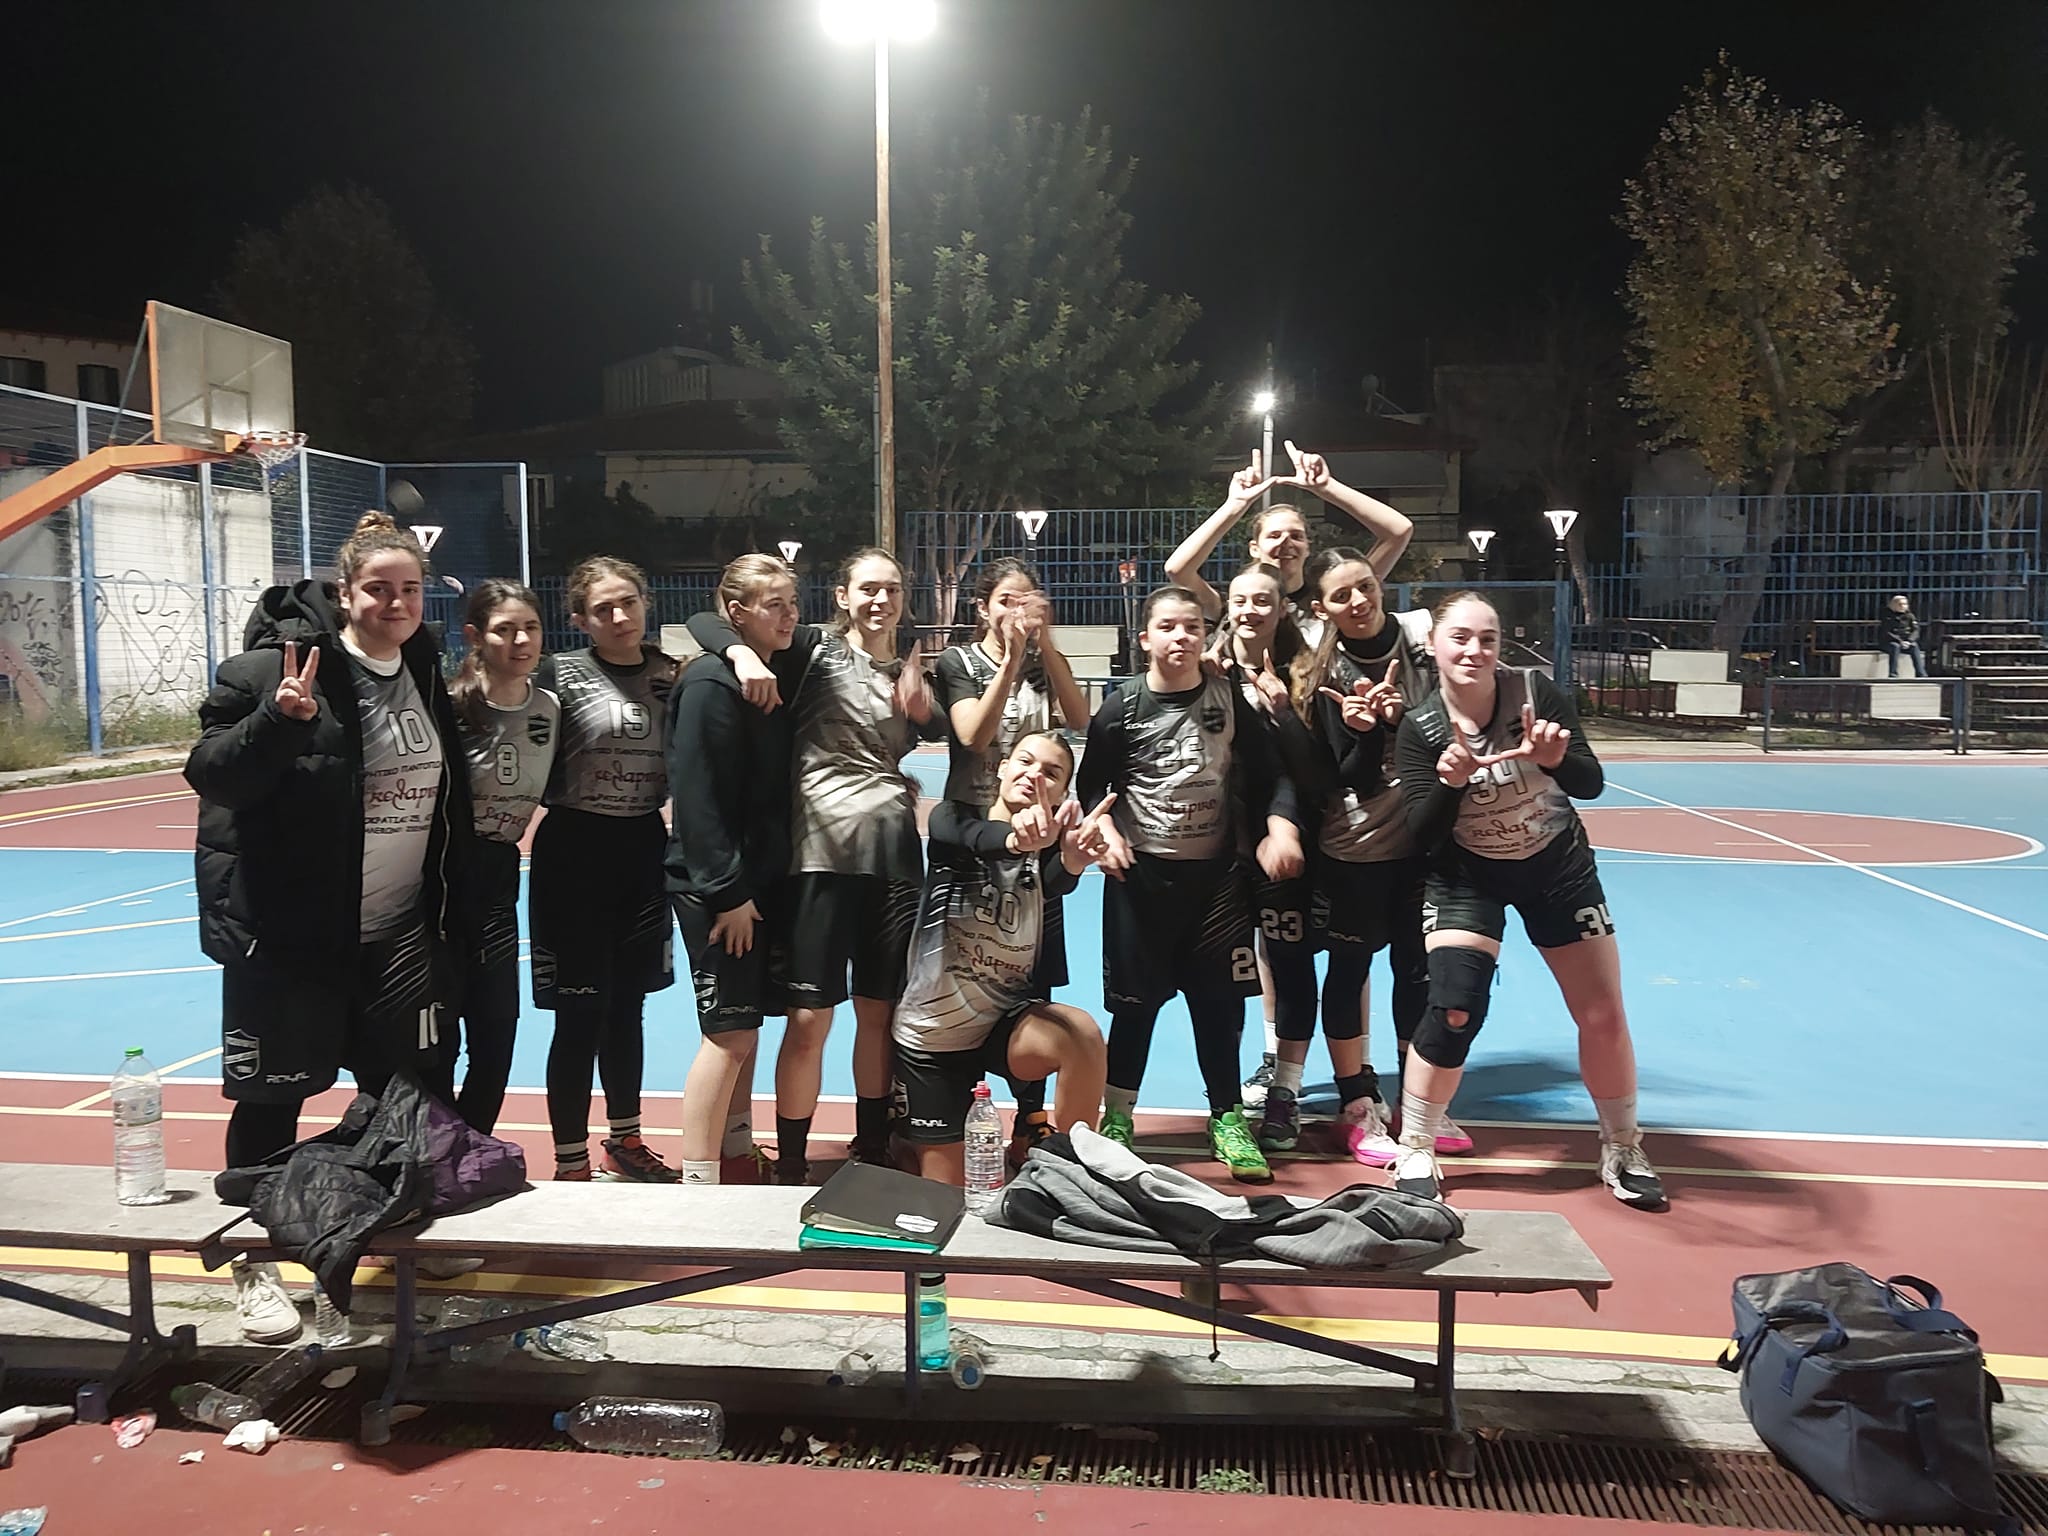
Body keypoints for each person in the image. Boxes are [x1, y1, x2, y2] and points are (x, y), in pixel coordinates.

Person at [187, 512, 475, 1342]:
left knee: (410, 1097)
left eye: (410, 589)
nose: (396, 603)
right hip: (294, 937)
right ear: (345, 593)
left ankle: (390, 1239)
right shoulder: (271, 670)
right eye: (378, 589)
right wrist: (278, 722)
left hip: (398, 934)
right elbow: (212, 775)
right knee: (272, 1105)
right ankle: (255, 1270)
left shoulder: (422, 666)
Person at [1392, 592, 1667, 1211]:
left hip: (1556, 868)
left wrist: (1557, 759)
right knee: (1454, 1009)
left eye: (1487, 639)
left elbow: (1590, 783)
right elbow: (1420, 834)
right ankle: (1415, 1144)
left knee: (1602, 1013)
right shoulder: (1421, 727)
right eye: (1460, 637)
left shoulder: (1534, 695)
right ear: (1433, 645)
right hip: (1467, 877)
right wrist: (1450, 784)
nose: (1475, 650)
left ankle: (1623, 1146)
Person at [1165, 443, 1414, 1097]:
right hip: (1248, 803)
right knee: (1274, 944)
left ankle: (1351, 1069)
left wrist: (1326, 487)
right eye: (1273, 534)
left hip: (1319, 797)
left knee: (1337, 948)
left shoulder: (1330, 604)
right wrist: (1234, 503)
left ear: (1309, 545)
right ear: (1254, 547)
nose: (1285, 542)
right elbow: (1178, 568)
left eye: (1296, 533)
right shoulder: (1242, 605)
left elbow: (1397, 532)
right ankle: (1279, 1060)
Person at [693, 546, 937, 1182]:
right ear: (842, 596)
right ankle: (793, 1162)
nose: (881, 600)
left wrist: (923, 712)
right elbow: (705, 620)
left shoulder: (913, 672)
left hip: (894, 859)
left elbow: (943, 729)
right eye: (868, 588)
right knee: (809, 1020)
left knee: (879, 1014)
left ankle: (872, 1145)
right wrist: (741, 653)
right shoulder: (811, 649)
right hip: (819, 858)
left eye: (892, 589)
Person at [1074, 585, 1306, 1183]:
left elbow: (1272, 773)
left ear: (1206, 637)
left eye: (1193, 627)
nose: (1181, 636)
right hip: (1141, 880)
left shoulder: (1228, 699)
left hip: (1217, 880)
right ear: (1144, 639)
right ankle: (1118, 1116)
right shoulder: (1120, 708)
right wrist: (1106, 832)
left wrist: (1279, 828)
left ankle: (1227, 1117)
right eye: (1168, 627)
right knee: (1135, 1008)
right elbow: (1091, 786)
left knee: (1218, 1007)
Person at [1261, 546, 1445, 1165]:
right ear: (1321, 609)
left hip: (1424, 840)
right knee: (1349, 970)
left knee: (1418, 973)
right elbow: (1343, 777)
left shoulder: (1423, 644)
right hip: (1356, 845)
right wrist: (1370, 732)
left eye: (1364, 586)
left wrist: (1405, 722)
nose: (1358, 601)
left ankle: (1416, 1100)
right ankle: (1356, 1101)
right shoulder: (1321, 672)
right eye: (1341, 595)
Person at [894, 732, 1112, 1184]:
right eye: (1026, 762)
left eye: (1051, 773)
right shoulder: (954, 818)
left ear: (1061, 793)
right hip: (934, 1035)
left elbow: (1052, 881)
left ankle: (1076, 1171)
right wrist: (1017, 840)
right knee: (947, 1193)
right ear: (1003, 768)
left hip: (1003, 1023)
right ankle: (903, 1135)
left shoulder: (1047, 847)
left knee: (1082, 1034)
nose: (1035, 775)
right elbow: (975, 838)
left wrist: (1072, 861)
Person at [931, 558, 1092, 1167]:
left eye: (1028, 601)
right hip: (974, 834)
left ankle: (1032, 1116)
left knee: (1033, 965)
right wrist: (1010, 659)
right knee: (965, 964)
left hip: (1037, 833)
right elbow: (973, 735)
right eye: (1006, 601)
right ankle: (949, 1099)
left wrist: (1042, 647)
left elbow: (1080, 718)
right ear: (983, 608)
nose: (1017, 612)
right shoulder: (961, 662)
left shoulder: (1043, 665)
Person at [531, 556, 681, 1183]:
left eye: (628, 602)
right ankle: (569, 1162)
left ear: (646, 603)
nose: (619, 616)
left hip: (643, 848)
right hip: (574, 851)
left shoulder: (674, 676)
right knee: (580, 1013)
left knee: (627, 1008)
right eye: (602, 609)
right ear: (579, 620)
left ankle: (626, 1142)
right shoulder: (556, 675)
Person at [665, 554, 800, 1185]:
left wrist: (743, 650)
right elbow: (696, 800)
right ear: (738, 612)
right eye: (774, 605)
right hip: (718, 890)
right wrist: (727, 894)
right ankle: (699, 1182)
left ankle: (738, 1153)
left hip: (756, 883)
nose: (789, 615)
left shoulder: (771, 664)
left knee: (745, 1029)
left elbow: (705, 619)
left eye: (792, 602)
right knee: (728, 1035)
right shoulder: (709, 685)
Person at [447, 579, 558, 1136]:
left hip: (498, 871)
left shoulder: (550, 708)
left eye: (530, 628)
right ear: (475, 636)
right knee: (437, 1032)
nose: (521, 640)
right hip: (440, 875)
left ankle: (471, 1147)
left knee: (496, 1031)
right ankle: (424, 1147)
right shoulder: (451, 707)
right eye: (505, 630)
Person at [1880, 595, 1926, 678]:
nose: (1903, 606)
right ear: (1893, 605)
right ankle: (1893, 674)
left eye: (1905, 604)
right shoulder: (1887, 616)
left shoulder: (1910, 616)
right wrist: (1900, 641)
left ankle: (1921, 674)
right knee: (1895, 647)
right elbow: (1887, 632)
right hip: (1890, 642)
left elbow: (1916, 630)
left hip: (1906, 642)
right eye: (1900, 604)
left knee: (1914, 646)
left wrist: (1909, 641)